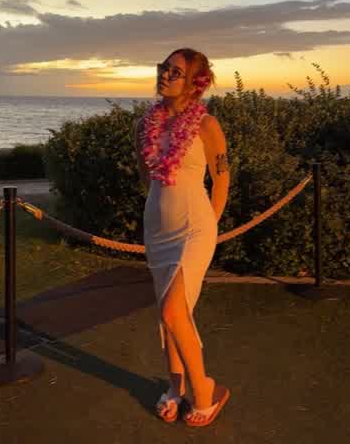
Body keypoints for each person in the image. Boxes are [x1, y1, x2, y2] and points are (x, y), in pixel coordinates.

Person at [133, 48, 231, 427]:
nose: (164, 75)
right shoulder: (144, 125)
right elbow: (147, 176)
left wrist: (211, 227)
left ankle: (205, 390)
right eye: (164, 68)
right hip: (157, 229)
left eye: (175, 72)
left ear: (194, 83)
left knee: (174, 311)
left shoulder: (207, 125)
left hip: (195, 228)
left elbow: (221, 180)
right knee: (169, 314)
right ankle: (176, 387)